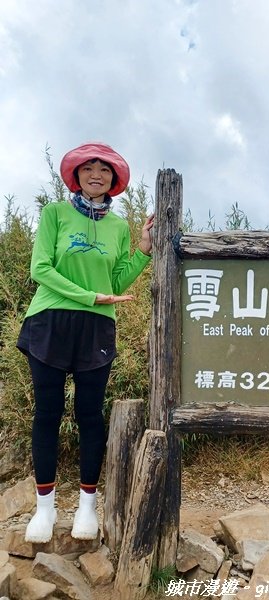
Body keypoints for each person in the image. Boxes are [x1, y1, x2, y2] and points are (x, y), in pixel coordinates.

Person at [17, 142, 154, 543]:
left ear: (114, 181)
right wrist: (87, 296)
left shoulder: (117, 226)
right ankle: (44, 510)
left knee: (90, 415)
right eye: (89, 168)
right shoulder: (55, 214)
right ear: (75, 175)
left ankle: (87, 508)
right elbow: (40, 268)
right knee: (47, 412)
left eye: (105, 170)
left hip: (97, 326)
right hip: (50, 319)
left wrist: (143, 250)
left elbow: (114, 284)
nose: (97, 174)